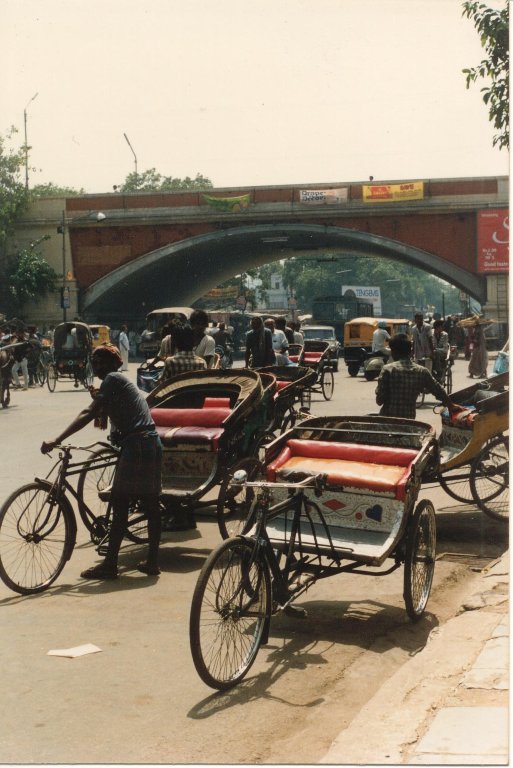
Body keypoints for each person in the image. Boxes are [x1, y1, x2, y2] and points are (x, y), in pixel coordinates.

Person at [41, 344, 163, 580]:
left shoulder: (113, 379)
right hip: (147, 442)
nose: (97, 365)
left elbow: (88, 414)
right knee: (150, 504)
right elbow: (105, 417)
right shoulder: (114, 382)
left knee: (121, 502)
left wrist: (57, 439)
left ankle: (110, 564)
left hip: (138, 444)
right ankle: (152, 562)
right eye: (94, 361)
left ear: (113, 363)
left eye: (101, 361)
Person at [375, 333, 458, 420]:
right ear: (410, 351)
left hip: (387, 421)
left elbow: (379, 401)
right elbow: (438, 390)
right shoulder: (422, 371)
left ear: (393, 352)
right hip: (409, 422)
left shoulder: (388, 370)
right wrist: (451, 405)